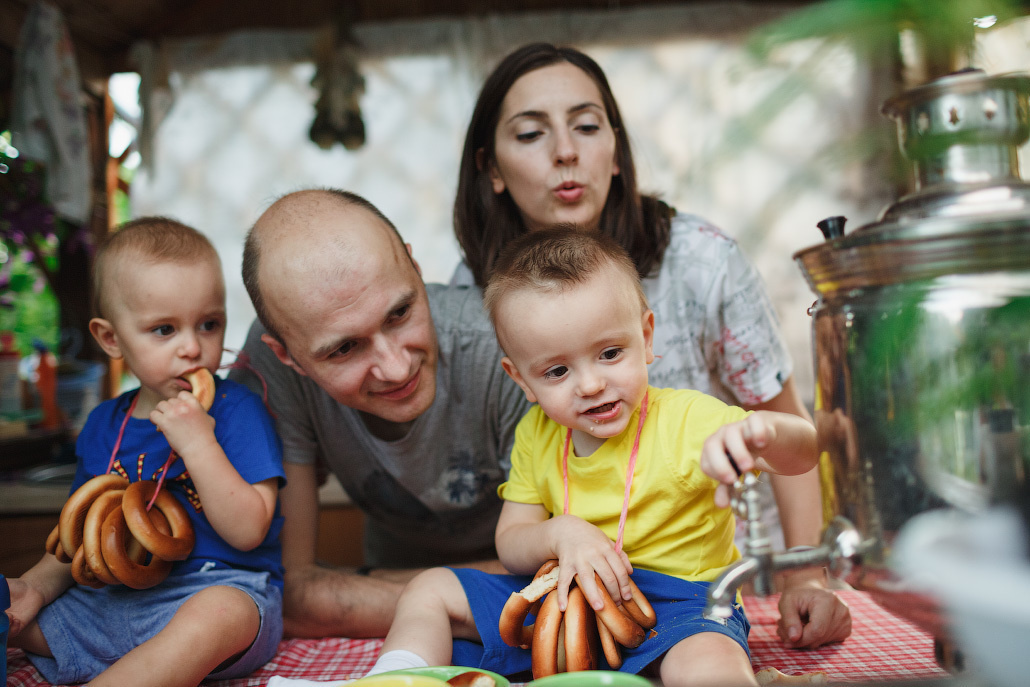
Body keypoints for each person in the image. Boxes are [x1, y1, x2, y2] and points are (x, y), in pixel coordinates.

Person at [450, 42, 851, 648]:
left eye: (587, 126)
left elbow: (780, 423)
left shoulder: (703, 259)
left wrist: (804, 574)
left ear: (615, 152)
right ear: (493, 169)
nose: (566, 152)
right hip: (587, 574)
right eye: (531, 135)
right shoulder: (470, 290)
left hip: (718, 567)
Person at [366, 228, 819, 685]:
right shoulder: (536, 434)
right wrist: (560, 534)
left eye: (609, 353)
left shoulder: (690, 420)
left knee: (705, 661)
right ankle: (398, 678)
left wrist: (767, 433)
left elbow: (805, 453)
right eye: (557, 370)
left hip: (684, 609)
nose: (590, 384)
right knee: (429, 589)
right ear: (521, 379)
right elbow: (511, 543)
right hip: (566, 601)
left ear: (645, 337)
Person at [230, 188, 532, 639]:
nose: (396, 367)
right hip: (413, 594)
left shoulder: (505, 344)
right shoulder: (267, 368)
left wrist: (356, 587)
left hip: (382, 587)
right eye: (344, 348)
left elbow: (557, 577)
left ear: (414, 266)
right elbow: (286, 591)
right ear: (286, 354)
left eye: (400, 313)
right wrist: (479, 594)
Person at [5, 218, 286, 686]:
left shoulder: (238, 410)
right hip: (120, 597)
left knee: (219, 614)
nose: (192, 347)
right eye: (163, 330)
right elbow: (82, 536)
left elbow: (249, 531)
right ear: (111, 338)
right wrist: (33, 587)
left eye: (209, 324)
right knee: (20, 614)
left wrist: (199, 442)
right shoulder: (102, 425)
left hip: (221, 589)